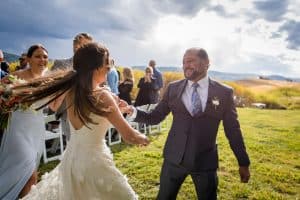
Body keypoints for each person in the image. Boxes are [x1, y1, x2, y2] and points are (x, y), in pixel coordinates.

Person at [21, 42, 149, 199]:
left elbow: (92, 115)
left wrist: (118, 110)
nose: (108, 68)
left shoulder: (72, 89)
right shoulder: (103, 96)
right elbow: (130, 136)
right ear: (96, 68)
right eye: (106, 64)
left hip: (72, 161)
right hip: (95, 165)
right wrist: (144, 138)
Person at [127, 48, 251, 200]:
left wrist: (243, 162)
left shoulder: (224, 92)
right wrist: (131, 111)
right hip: (174, 159)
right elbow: (155, 117)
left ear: (206, 63)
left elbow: (233, 130)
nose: (186, 65)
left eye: (191, 61)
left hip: (205, 162)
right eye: (184, 62)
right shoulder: (173, 88)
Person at [0, 44, 52, 199]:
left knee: (27, 175)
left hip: (36, 129)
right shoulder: (17, 76)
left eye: (45, 56)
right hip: (17, 128)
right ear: (28, 59)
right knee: (29, 172)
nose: (42, 59)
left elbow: (55, 105)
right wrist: (8, 102)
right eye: (37, 56)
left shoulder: (49, 78)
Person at [51, 33, 93, 142]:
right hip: (68, 113)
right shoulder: (61, 64)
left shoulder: (93, 67)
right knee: (74, 147)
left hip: (91, 113)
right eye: (87, 46)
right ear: (76, 46)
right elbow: (51, 87)